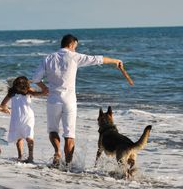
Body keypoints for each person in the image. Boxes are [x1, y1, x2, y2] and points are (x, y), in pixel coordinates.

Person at [32, 34, 123, 167]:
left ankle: (57, 152)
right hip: (69, 101)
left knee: (53, 130)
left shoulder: (48, 58)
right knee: (69, 134)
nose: (75, 49)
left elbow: (35, 79)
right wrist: (115, 60)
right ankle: (67, 166)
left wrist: (44, 88)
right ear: (71, 44)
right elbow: (97, 59)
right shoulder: (74, 56)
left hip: (53, 99)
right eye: (76, 46)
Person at [0, 76, 45, 163]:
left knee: (19, 137)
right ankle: (30, 157)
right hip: (27, 117)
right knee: (28, 137)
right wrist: (44, 91)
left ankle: (20, 156)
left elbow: (3, 104)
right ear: (26, 85)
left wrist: (6, 109)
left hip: (17, 117)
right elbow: (37, 94)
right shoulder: (28, 91)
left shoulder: (12, 92)